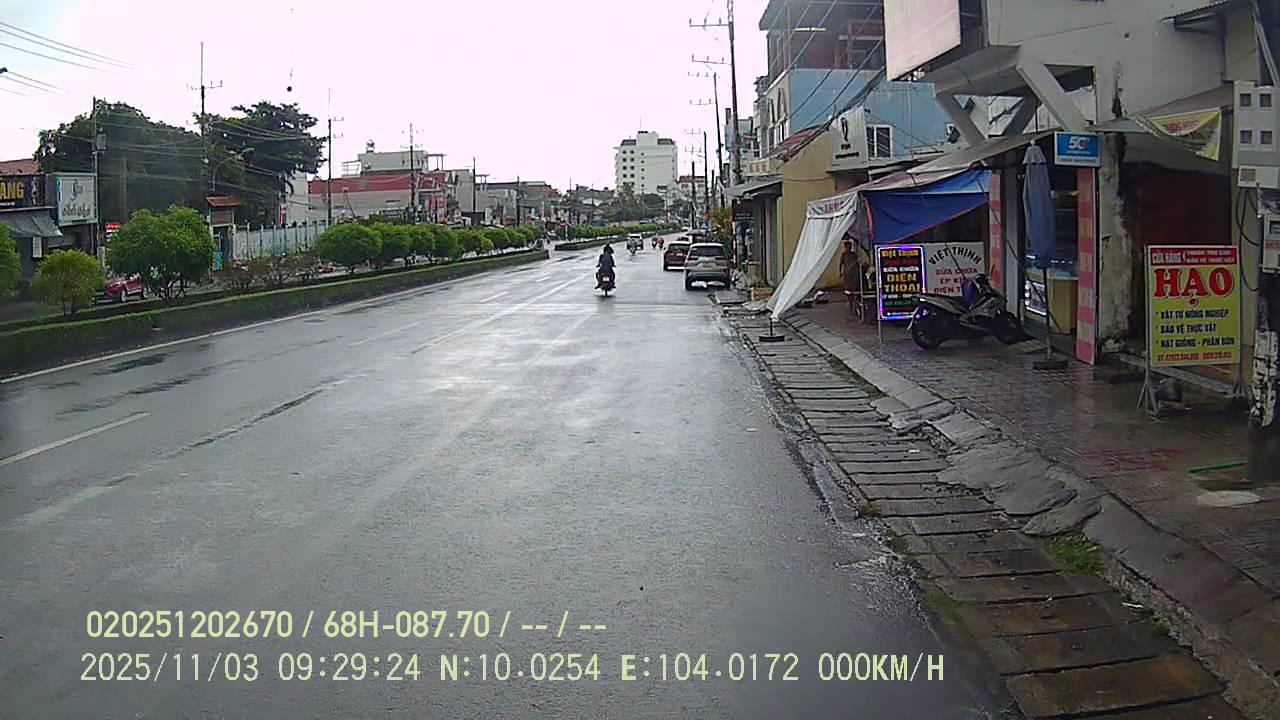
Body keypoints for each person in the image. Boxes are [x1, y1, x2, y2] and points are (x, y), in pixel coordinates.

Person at [839, 239, 860, 319]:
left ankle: (855, 306)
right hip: (847, 275)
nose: (848, 248)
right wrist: (840, 272)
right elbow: (841, 264)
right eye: (847, 247)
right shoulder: (843, 255)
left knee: (854, 291)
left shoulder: (853, 255)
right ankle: (851, 306)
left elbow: (857, 264)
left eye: (849, 247)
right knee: (848, 292)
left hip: (853, 275)